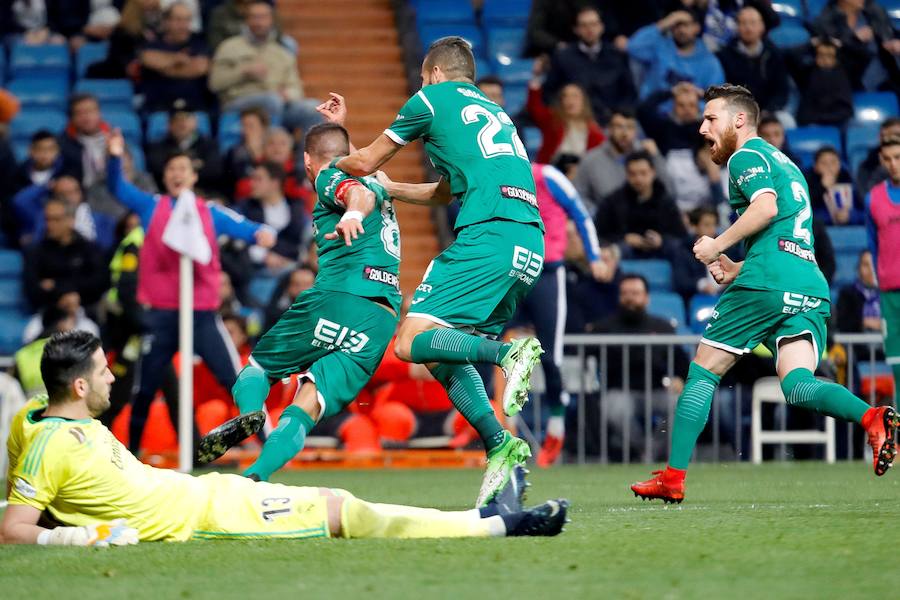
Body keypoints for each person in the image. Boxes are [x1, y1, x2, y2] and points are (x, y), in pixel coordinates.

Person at [0, 331, 568, 544]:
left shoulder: (45, 424)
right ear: (77, 384)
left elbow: (24, 485)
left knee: (340, 506)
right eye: (102, 372)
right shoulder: (53, 441)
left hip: (206, 492)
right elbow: (13, 526)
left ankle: (494, 515)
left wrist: (64, 517)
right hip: (204, 518)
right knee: (346, 511)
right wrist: (83, 537)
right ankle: (499, 524)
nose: (112, 377)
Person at [631, 84, 898, 504]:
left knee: (702, 372)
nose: (703, 128)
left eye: (711, 118)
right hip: (806, 283)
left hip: (770, 279)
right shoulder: (786, 163)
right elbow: (783, 230)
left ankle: (674, 477)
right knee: (797, 384)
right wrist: (739, 268)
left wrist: (717, 245)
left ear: (740, 120)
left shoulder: (746, 155)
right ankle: (871, 417)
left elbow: (766, 208)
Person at [316, 36, 547, 507]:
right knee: (443, 351)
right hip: (527, 243)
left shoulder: (431, 97)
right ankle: (500, 446)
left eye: (423, 78)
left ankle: (508, 354)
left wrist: (328, 157)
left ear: (435, 74)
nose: (422, 85)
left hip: (490, 234)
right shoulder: (491, 109)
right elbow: (444, 194)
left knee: (407, 340)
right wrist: (393, 188)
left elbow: (362, 163)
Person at [196, 122, 402, 483]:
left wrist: (353, 213)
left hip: (339, 297)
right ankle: (256, 476)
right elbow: (374, 180)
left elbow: (355, 193)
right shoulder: (380, 180)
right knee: (306, 406)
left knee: (258, 368)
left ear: (307, 159)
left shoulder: (326, 176)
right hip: (382, 318)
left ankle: (248, 414)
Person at [105, 128, 275, 455]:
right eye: (171, 170)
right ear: (164, 177)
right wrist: (114, 157)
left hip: (200, 315)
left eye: (183, 169)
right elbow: (117, 188)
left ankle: (270, 445)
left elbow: (247, 228)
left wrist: (262, 235)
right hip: (161, 315)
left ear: (194, 176)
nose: (177, 174)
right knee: (144, 389)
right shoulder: (150, 206)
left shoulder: (208, 213)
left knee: (234, 380)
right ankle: (134, 458)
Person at [508, 163, 604, 468]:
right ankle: (498, 429)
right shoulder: (496, 173)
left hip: (548, 273)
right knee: (491, 347)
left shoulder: (546, 176)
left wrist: (595, 257)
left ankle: (556, 428)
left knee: (551, 357)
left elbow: (580, 213)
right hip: (510, 272)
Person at [590, 275, 689, 460]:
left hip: (658, 390)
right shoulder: (604, 327)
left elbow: (680, 361)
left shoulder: (662, 327)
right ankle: (642, 448)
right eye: (625, 293)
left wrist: (680, 379)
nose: (630, 298)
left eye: (635, 293)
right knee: (614, 408)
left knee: (681, 406)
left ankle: (652, 449)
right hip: (619, 391)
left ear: (646, 298)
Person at [208, 0, 320, 134]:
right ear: (246, 20)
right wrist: (243, 72)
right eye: (254, 17)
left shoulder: (282, 53)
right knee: (271, 100)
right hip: (239, 102)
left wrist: (287, 94)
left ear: (271, 20)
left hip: (278, 104)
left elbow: (297, 89)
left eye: (263, 17)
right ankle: (269, 148)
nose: (258, 22)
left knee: (313, 108)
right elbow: (214, 83)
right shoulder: (229, 47)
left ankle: (305, 155)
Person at [542, 7, 636, 125]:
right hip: (574, 123)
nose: (589, 29)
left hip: (612, 122)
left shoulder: (617, 55)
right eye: (584, 25)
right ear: (576, 29)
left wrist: (619, 114)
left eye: (593, 24)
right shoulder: (563, 57)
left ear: (602, 27)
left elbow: (629, 92)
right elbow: (549, 93)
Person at [574, 107, 669, 214]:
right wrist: (599, 215)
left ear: (636, 131)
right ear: (609, 129)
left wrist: (656, 157)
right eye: (619, 126)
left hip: (645, 220)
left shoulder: (647, 156)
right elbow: (578, 195)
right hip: (604, 225)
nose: (624, 133)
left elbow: (670, 192)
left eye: (630, 127)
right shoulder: (590, 160)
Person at [22, 197, 109, 314]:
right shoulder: (36, 251)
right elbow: (32, 290)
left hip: (86, 310)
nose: (50, 225)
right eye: (47, 219)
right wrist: (63, 297)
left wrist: (57, 285)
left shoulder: (90, 249)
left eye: (56, 219)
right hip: (47, 314)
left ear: (71, 220)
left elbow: (99, 282)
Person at [594, 151, 687, 259]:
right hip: (625, 254)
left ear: (653, 172)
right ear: (626, 174)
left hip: (661, 254)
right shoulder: (612, 202)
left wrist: (662, 241)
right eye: (633, 174)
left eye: (643, 173)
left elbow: (681, 237)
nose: (638, 179)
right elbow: (599, 235)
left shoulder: (666, 202)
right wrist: (624, 238)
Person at [866, 135, 900, 403]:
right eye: (888, 159)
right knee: (897, 369)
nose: (893, 164)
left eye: (898, 158)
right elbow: (872, 245)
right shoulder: (873, 198)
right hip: (889, 293)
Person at [626, 9, 725, 100]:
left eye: (686, 25)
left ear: (697, 27)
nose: (681, 30)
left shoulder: (709, 61)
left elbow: (717, 98)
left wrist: (698, 96)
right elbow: (632, 47)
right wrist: (664, 23)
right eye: (676, 25)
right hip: (655, 111)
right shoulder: (659, 48)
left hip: (693, 114)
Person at [138, 1, 210, 111]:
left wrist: (166, 67)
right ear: (166, 21)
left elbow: (200, 68)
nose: (183, 25)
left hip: (195, 108)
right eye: (178, 20)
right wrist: (177, 59)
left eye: (187, 20)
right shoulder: (154, 43)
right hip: (158, 108)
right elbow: (148, 58)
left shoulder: (199, 42)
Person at [715, 6, 788, 113]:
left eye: (753, 23)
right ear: (737, 27)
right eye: (743, 23)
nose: (748, 28)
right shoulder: (724, 56)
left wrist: (767, 112)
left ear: (762, 27)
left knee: (786, 121)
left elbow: (781, 91)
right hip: (736, 112)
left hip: (768, 112)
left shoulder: (774, 55)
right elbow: (723, 90)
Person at [238, 161, 307, 271]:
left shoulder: (295, 207)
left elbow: (299, 241)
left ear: (274, 183)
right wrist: (264, 257)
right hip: (256, 269)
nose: (251, 183)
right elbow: (241, 242)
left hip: (291, 266)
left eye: (258, 179)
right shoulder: (246, 208)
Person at [146, 99, 223, 195]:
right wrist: (194, 165)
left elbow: (214, 172)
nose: (182, 124)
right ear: (169, 124)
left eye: (186, 118)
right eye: (177, 119)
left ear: (195, 122)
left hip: (204, 194)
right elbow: (157, 171)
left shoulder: (209, 145)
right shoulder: (158, 146)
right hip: (168, 197)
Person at [527, 77, 605, 164]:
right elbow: (534, 108)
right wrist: (536, 76)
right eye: (565, 96)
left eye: (575, 96)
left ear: (583, 102)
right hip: (552, 170)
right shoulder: (553, 121)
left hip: (581, 173)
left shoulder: (594, 132)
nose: (570, 100)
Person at [795, 39, 854, 128]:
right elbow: (790, 57)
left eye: (829, 55)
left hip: (839, 121)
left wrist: (843, 45)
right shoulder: (807, 73)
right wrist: (810, 45)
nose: (825, 59)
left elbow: (865, 56)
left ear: (836, 58)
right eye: (821, 55)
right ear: (815, 57)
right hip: (812, 122)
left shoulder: (845, 72)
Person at [804, 146, 863, 225]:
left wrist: (851, 216)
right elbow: (804, 213)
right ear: (816, 167)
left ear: (839, 164)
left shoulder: (851, 184)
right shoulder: (807, 186)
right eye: (824, 163)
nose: (829, 167)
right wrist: (822, 187)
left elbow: (866, 213)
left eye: (833, 162)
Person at [835, 250, 881, 334]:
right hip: (856, 346)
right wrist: (866, 322)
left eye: (874, 264)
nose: (871, 270)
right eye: (866, 265)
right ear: (858, 268)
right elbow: (842, 323)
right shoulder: (847, 295)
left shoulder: (888, 295)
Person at [857, 118, 900, 196]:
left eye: (897, 135)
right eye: (885, 136)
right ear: (880, 139)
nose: (891, 140)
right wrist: (885, 170)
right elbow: (868, 198)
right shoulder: (866, 166)